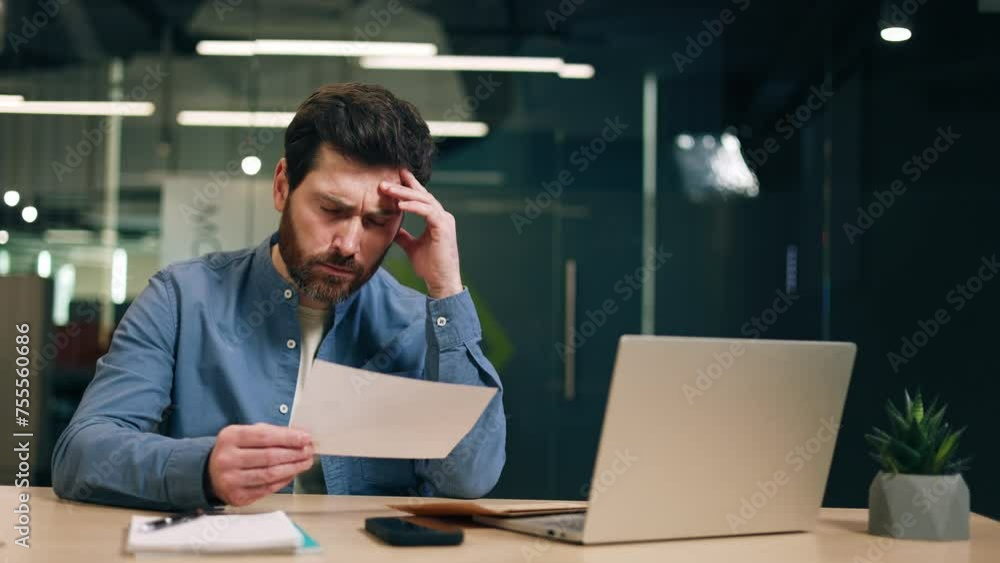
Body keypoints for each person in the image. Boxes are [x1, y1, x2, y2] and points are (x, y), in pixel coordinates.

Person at [51, 83, 506, 510]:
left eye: (376, 221)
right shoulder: (182, 299)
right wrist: (203, 468)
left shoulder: (416, 323)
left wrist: (446, 291)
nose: (349, 244)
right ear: (282, 186)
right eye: (332, 209)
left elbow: (466, 480)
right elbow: (80, 455)